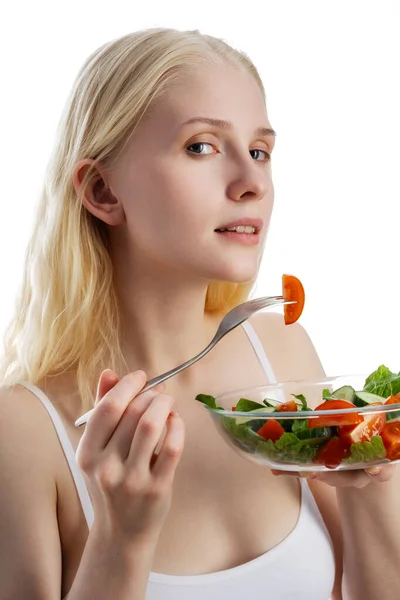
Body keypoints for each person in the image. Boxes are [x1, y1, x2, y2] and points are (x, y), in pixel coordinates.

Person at [0, 27, 398, 600]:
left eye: (260, 151)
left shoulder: (281, 352)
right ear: (104, 192)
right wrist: (122, 539)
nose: (252, 182)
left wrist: (374, 485)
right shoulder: (24, 430)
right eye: (202, 146)